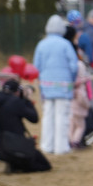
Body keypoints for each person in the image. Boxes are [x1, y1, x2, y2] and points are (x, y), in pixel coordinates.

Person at [33, 15, 79, 156]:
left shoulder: (41, 44)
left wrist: (41, 81)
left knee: (48, 115)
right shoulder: (65, 44)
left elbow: (36, 66)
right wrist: (71, 80)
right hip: (64, 85)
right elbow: (74, 66)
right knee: (62, 116)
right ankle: (61, 147)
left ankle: (47, 145)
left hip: (46, 86)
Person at [0, 78, 51, 173]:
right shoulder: (16, 101)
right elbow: (34, 118)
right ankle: (18, 165)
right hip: (17, 147)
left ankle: (15, 164)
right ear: (17, 91)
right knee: (45, 165)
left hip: (1, 149)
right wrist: (27, 100)